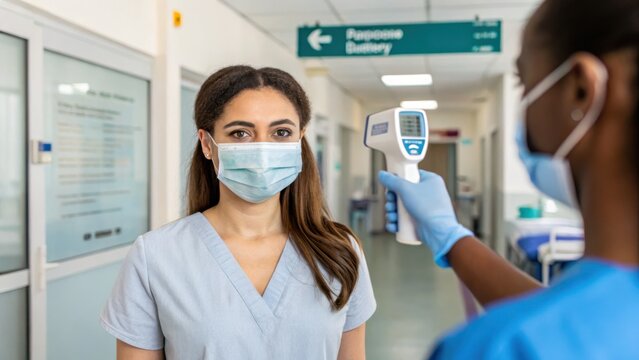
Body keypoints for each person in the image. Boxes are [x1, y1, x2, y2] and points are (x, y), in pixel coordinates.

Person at [379, 0, 638, 358]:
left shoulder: (498, 347)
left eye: (523, 81)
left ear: (580, 90)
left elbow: (557, 324)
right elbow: (568, 314)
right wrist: (450, 238)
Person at [100, 66, 376, 360]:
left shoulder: (340, 252)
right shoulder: (156, 256)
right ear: (207, 144)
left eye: (281, 132)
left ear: (300, 140)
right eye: (240, 133)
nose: (262, 149)